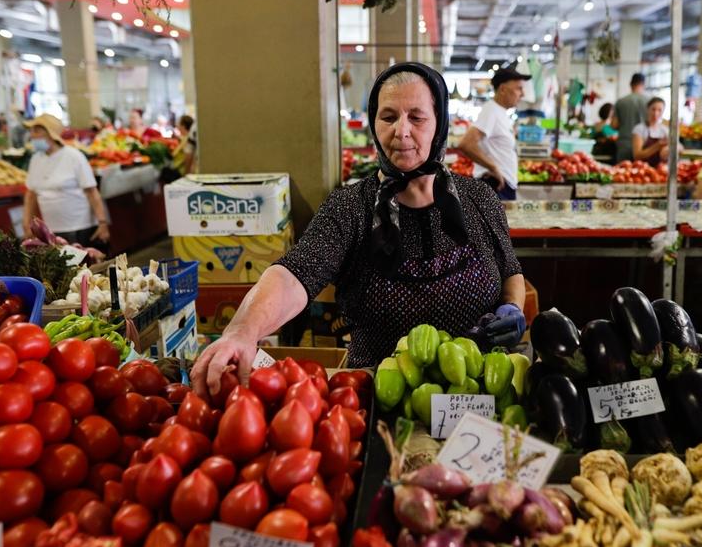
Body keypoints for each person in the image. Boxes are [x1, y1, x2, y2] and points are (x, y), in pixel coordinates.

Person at [191, 62, 526, 395]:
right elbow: (295, 273)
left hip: (475, 390)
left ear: (439, 122)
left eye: (417, 117)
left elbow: (509, 268)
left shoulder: (479, 199)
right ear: (374, 123)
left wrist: (512, 307)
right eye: (389, 117)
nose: (402, 131)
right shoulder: (351, 207)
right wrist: (242, 330)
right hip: (375, 391)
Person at [22, 113, 110, 249]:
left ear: (51, 134)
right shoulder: (36, 159)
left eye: (37, 131)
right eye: (31, 131)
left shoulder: (74, 156)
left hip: (79, 229)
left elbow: (92, 192)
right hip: (51, 231)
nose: (32, 135)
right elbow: (31, 195)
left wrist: (102, 223)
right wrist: (27, 223)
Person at [456, 66, 530, 200]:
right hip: (496, 185)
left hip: (502, 185)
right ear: (502, 89)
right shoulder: (491, 111)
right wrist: (494, 168)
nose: (522, 94)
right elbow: (466, 144)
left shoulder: (500, 111)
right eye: (518, 88)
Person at [611, 73, 649, 162]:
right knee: (643, 169)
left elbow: (614, 125)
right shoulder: (650, 102)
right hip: (644, 144)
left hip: (625, 143)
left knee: (624, 169)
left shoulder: (621, 102)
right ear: (643, 84)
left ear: (631, 84)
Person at [631, 97, 671, 165]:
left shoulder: (665, 130)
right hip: (643, 168)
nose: (656, 113)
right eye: (653, 109)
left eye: (659, 110)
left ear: (663, 111)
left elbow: (677, 147)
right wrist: (657, 146)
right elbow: (637, 156)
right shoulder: (639, 129)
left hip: (661, 168)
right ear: (648, 109)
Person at [164, 115, 196, 182]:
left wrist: (186, 174)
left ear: (183, 126)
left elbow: (174, 155)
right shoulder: (186, 138)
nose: (177, 126)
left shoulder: (186, 140)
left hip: (181, 172)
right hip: (184, 171)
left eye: (178, 123)